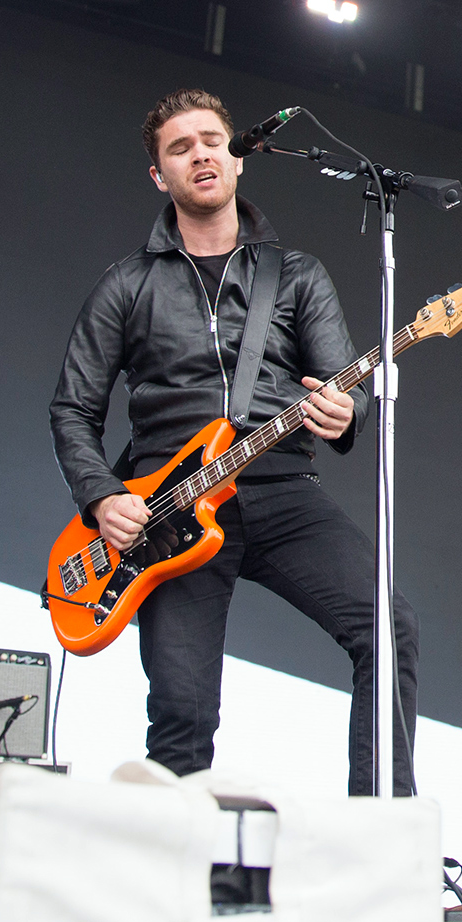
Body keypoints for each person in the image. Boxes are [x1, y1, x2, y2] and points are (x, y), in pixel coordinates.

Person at [50, 88, 418, 796]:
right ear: (159, 175)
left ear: (237, 158)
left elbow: (345, 388)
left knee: (388, 626)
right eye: (180, 148)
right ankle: (178, 856)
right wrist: (100, 497)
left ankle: (381, 823)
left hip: (281, 487)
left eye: (212, 141)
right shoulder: (126, 284)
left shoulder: (297, 274)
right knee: (181, 713)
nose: (201, 155)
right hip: (166, 510)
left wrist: (346, 413)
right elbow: (72, 408)